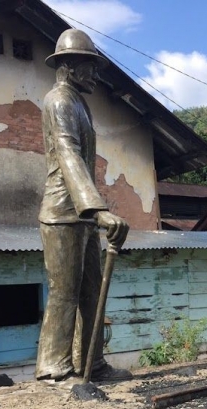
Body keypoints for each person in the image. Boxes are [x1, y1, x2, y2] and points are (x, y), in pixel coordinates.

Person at [36, 29, 132, 383]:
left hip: (83, 215)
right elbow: (67, 154)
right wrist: (98, 209)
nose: (95, 74)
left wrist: (93, 213)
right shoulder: (58, 101)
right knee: (65, 293)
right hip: (63, 212)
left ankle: (91, 363)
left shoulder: (79, 102)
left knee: (92, 291)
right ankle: (52, 367)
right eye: (89, 67)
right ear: (70, 66)